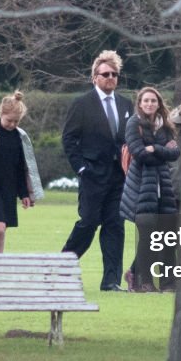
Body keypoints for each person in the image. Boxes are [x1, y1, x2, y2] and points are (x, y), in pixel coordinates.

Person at [60, 50, 133, 292]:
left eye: (114, 74)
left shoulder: (125, 104)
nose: (110, 77)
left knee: (115, 226)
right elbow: (69, 139)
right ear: (95, 78)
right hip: (92, 174)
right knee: (89, 222)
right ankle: (60, 266)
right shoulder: (82, 104)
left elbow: (130, 138)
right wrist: (81, 168)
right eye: (105, 74)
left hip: (118, 177)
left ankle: (111, 281)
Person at [119, 87, 180, 292]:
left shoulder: (166, 126)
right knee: (148, 235)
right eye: (146, 101)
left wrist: (155, 149)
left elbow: (176, 152)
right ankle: (143, 280)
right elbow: (138, 152)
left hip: (164, 187)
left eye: (153, 101)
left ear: (159, 103)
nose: (149, 104)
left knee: (167, 236)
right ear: (140, 103)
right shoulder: (134, 123)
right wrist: (163, 151)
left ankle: (166, 282)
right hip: (141, 186)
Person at [0, 92, 44, 253]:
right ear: (1, 114)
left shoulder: (20, 137)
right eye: (9, 120)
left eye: (16, 121)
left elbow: (21, 168)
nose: (12, 124)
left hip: (9, 189)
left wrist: (24, 194)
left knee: (3, 231)